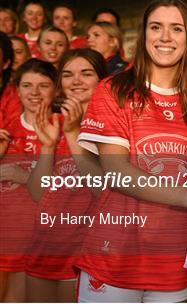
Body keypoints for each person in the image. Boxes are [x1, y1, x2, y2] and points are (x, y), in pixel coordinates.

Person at [75, 0, 187, 302]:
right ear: (144, 35)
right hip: (115, 256)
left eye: (177, 29)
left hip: (172, 259)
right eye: (156, 27)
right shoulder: (114, 89)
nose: (165, 37)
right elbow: (117, 172)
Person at [22, 50, 107, 302]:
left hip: (85, 253)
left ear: (102, 80)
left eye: (86, 73)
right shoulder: (52, 123)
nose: (76, 81)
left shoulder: (110, 127)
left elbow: (102, 191)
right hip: (44, 249)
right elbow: (39, 194)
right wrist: (47, 146)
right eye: (68, 74)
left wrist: (72, 134)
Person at [0, 60, 57, 302]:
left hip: (37, 239)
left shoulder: (65, 128)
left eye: (43, 85)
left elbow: (77, 189)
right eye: (27, 85)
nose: (34, 93)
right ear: (17, 89)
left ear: (57, 90)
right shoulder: (5, 129)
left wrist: (22, 177)